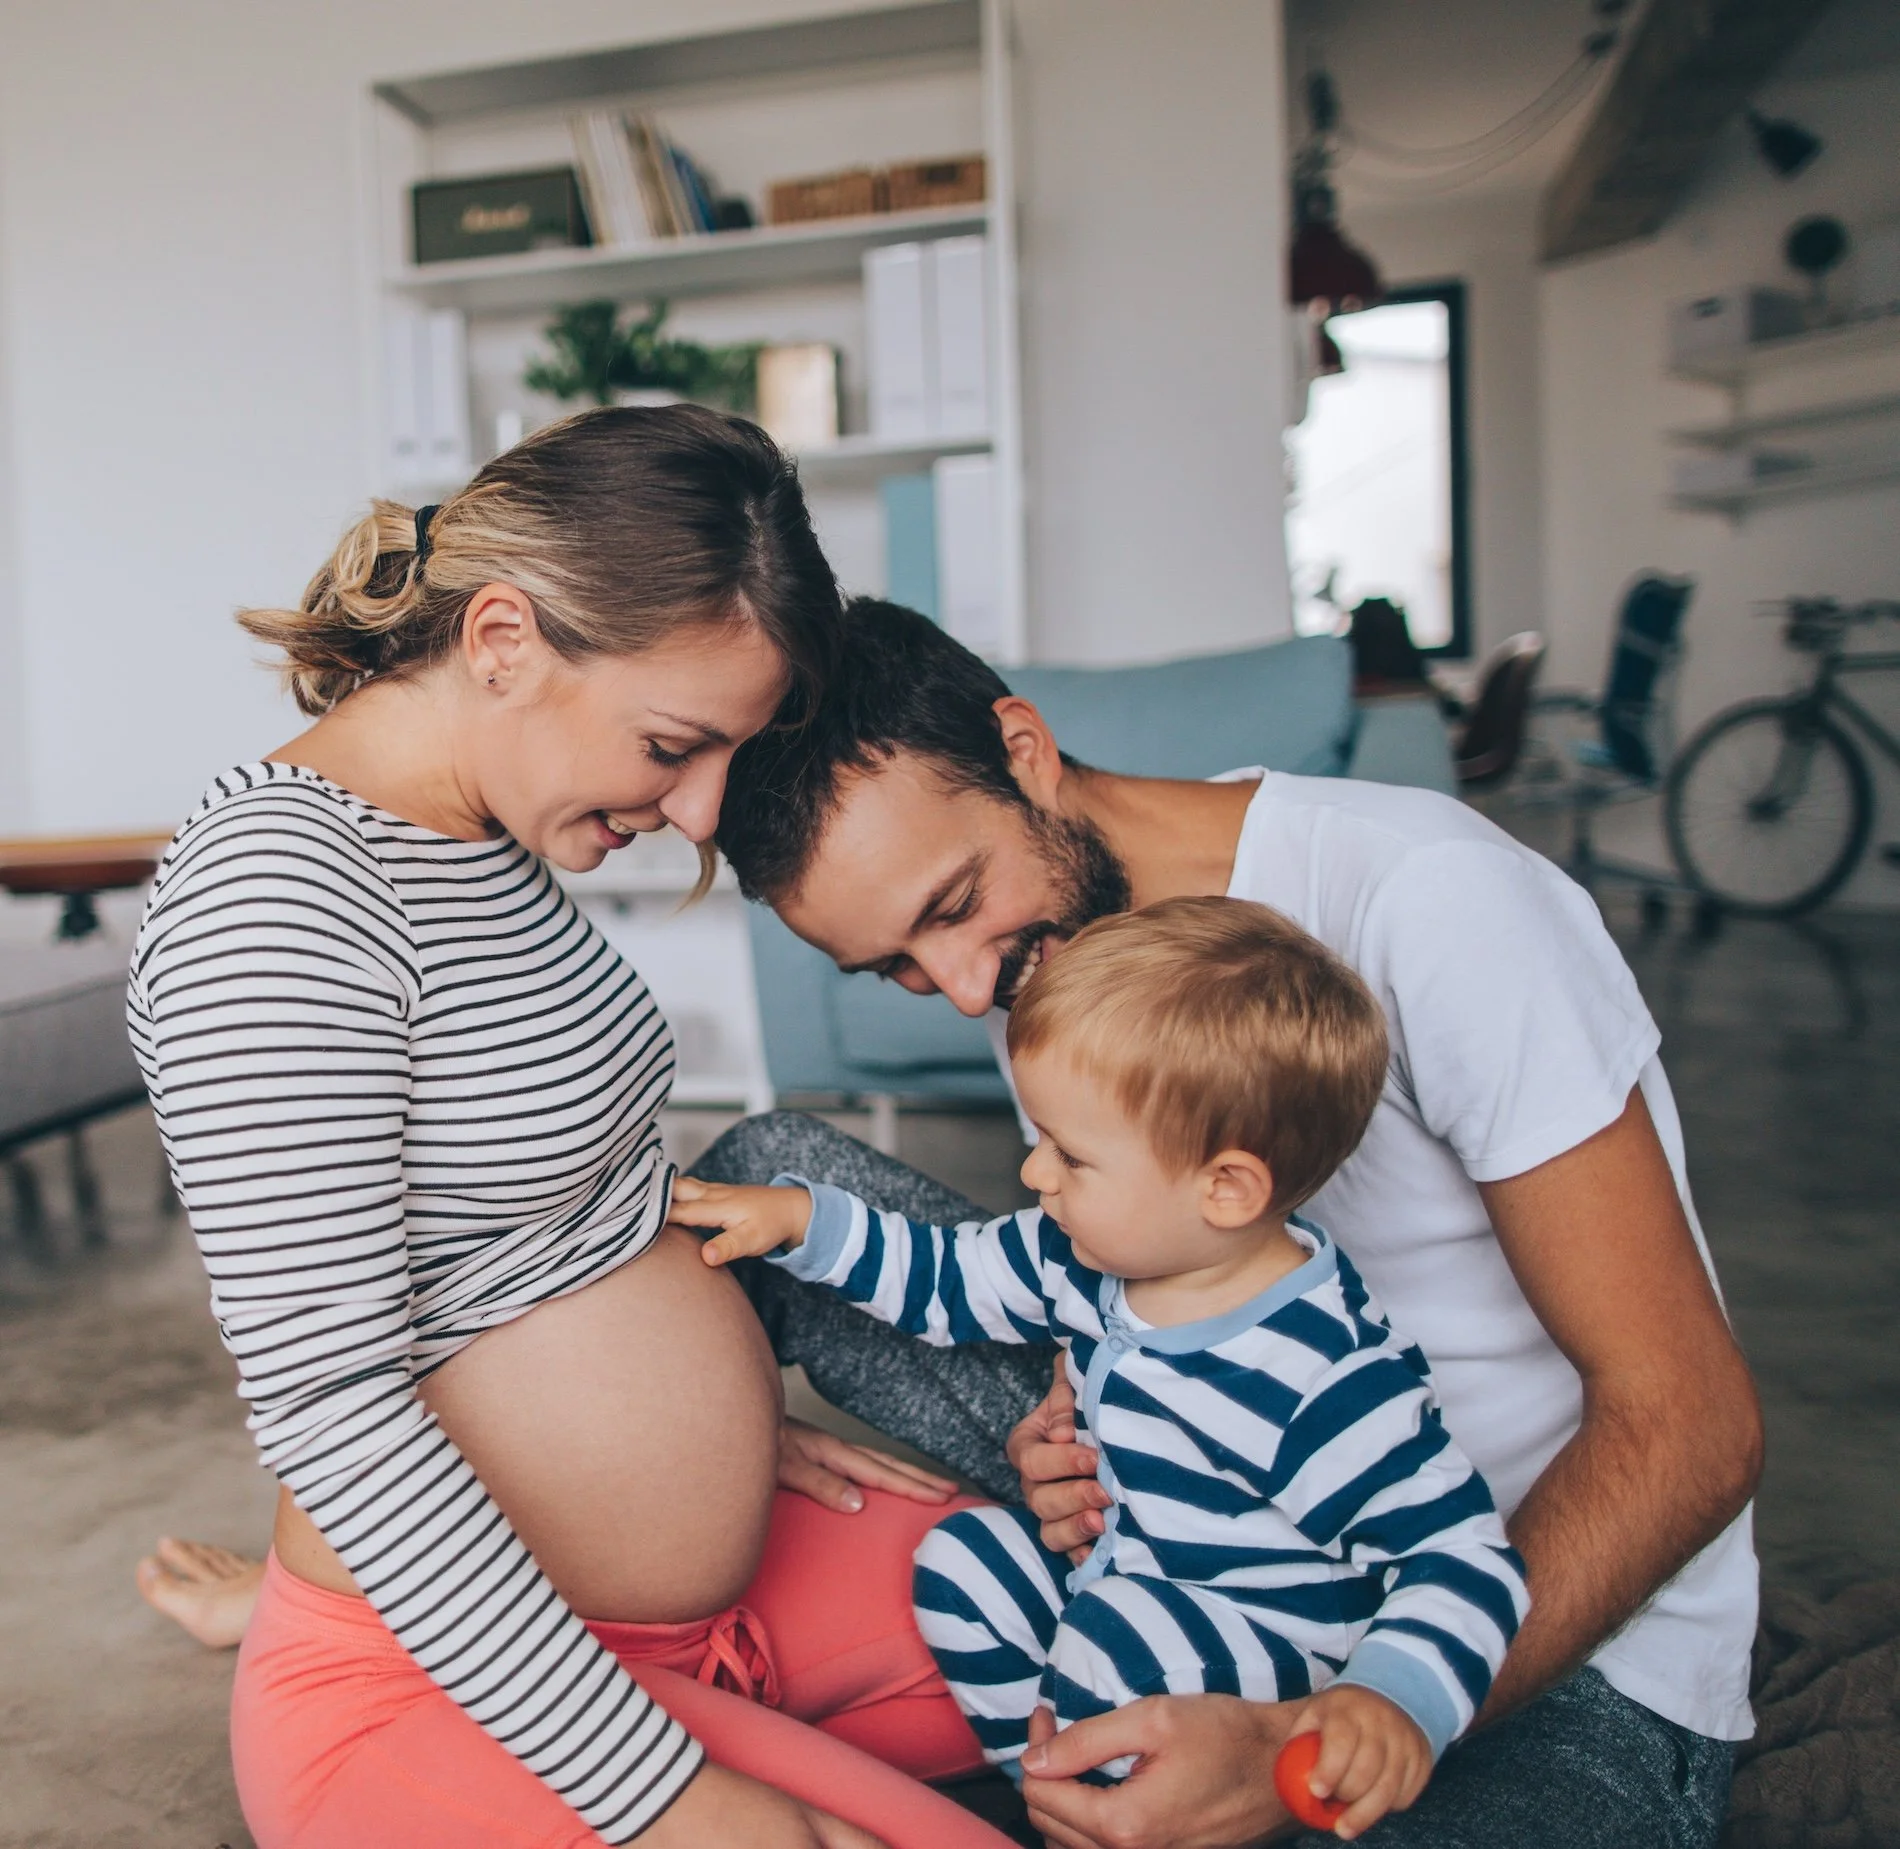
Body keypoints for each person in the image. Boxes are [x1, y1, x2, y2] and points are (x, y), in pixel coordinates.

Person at [149, 593, 1763, 1847]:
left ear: (1025, 749)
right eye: (899, 970)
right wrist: (1081, 1404)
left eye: (950, 908)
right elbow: (1130, 1255)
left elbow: (1692, 1421)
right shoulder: (1047, 955)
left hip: (1512, 1629)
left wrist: (1312, 1730)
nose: (970, 986)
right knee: (781, 1171)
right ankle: (371, 1585)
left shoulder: (1431, 904)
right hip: (1202, 1510)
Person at [128, 418, 1017, 1849]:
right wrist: (673, 1799)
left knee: (1122, 1648)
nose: (702, 811)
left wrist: (711, 1432)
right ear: (502, 640)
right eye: (674, 746)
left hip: (690, 1598)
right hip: (438, 1681)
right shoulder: (277, 900)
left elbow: (537, 1237)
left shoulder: (478, 828)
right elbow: (334, 1408)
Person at [671, 897, 1530, 1843]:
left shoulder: (1319, 1375)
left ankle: (1107, 1791)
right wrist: (801, 1222)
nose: (1034, 1175)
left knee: (1115, 1639)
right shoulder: (1083, 1254)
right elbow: (946, 1276)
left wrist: (1392, 1697)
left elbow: (1463, 1558)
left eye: (1071, 1156)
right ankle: (1060, 1800)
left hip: (1263, 1655)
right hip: (1124, 1580)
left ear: (1225, 1188)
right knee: (962, 1563)